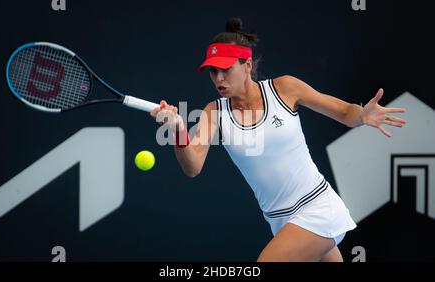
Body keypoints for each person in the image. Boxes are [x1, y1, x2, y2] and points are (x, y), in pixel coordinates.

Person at [150, 18, 407, 262]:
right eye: (213, 72)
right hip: (281, 222)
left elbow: (343, 113)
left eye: (226, 69)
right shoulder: (214, 112)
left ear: (247, 65)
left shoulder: (285, 88)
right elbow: (192, 166)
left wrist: (362, 114)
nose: (218, 79)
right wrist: (177, 129)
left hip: (317, 208)